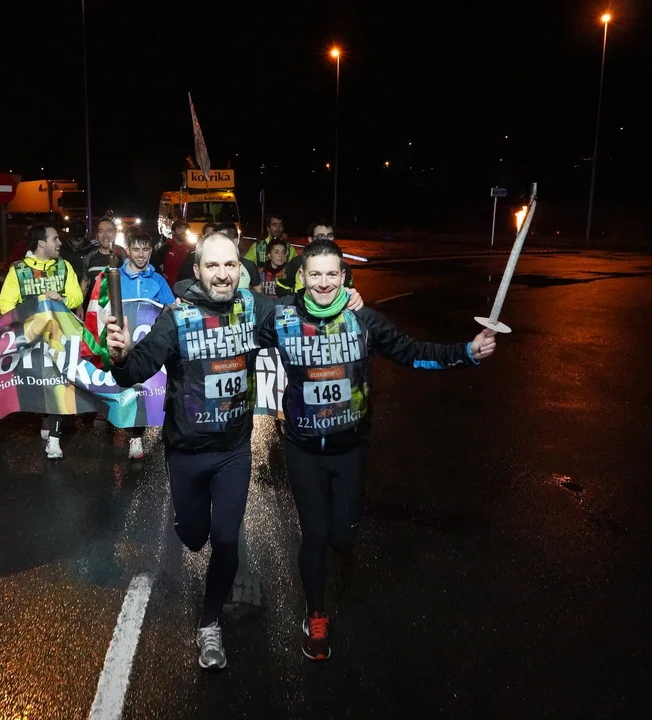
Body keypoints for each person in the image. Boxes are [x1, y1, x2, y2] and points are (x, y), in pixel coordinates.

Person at [104, 233, 363, 672]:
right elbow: (133, 372)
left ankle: (210, 622)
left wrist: (343, 299)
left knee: (225, 540)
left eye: (230, 266)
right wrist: (121, 355)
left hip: (233, 452)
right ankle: (189, 525)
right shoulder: (176, 317)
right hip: (186, 452)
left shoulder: (253, 307)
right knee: (194, 537)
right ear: (198, 271)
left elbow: (305, 310)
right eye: (213, 266)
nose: (223, 274)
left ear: (239, 270)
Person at [260, 239, 497, 661]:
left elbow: (413, 353)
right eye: (315, 274)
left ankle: (339, 547)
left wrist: (467, 352)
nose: (323, 283)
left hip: (350, 447)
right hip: (302, 448)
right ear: (303, 277)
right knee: (315, 535)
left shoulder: (363, 321)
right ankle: (316, 614)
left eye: (331, 274)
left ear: (344, 277)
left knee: (342, 534)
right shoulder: (282, 318)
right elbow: (231, 331)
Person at [0, 223, 83, 459]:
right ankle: (45, 418)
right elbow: (5, 303)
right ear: (41, 243)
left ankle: (54, 439)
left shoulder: (64, 266)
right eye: (55, 239)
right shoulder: (19, 270)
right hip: (31, 339)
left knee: (58, 382)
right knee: (40, 384)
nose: (60, 243)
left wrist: (62, 298)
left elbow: (77, 296)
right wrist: (28, 315)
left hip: (59, 336)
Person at [112, 228, 176, 459]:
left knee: (144, 388)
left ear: (151, 251)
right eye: (136, 249)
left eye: (145, 249)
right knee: (123, 388)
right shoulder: (115, 279)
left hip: (147, 347)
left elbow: (170, 309)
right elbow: (100, 307)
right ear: (128, 250)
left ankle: (136, 437)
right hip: (121, 344)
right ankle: (116, 422)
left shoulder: (158, 281)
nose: (141, 254)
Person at [276, 220, 354, 297]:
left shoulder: (344, 266)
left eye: (329, 236)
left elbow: (349, 293)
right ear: (310, 239)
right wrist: (298, 299)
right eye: (321, 236)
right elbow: (281, 289)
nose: (326, 240)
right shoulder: (296, 263)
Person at [176, 223, 261, 292]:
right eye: (211, 266)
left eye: (230, 265)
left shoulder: (249, 266)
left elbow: (258, 291)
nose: (222, 276)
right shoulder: (193, 260)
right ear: (197, 271)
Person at [82, 217, 127, 299]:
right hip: (96, 305)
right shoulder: (90, 256)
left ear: (115, 233)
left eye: (109, 231)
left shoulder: (123, 254)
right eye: (101, 231)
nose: (105, 235)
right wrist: (80, 304)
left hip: (120, 305)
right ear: (97, 235)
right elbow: (85, 283)